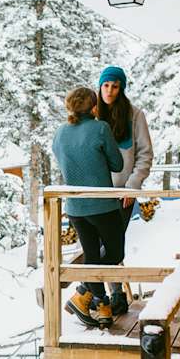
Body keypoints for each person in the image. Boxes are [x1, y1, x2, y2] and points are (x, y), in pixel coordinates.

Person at [52, 86, 125, 328]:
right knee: (115, 254)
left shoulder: (60, 132)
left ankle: (101, 305)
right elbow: (117, 164)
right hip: (102, 205)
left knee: (91, 255)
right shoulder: (100, 128)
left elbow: (63, 161)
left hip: (75, 207)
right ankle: (83, 292)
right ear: (94, 107)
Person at [95, 66, 153, 316]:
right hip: (95, 193)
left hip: (123, 194)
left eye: (115, 86)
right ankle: (105, 296)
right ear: (100, 87)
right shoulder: (92, 115)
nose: (109, 90)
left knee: (113, 243)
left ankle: (105, 294)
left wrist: (132, 187)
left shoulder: (135, 115)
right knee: (99, 244)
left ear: (122, 89)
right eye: (106, 85)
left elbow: (145, 155)